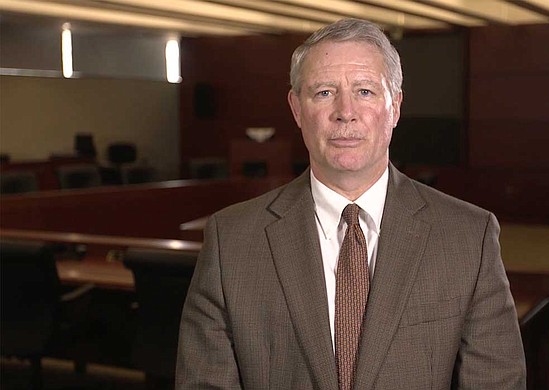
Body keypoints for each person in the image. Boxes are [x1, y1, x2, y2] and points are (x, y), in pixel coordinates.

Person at [176, 18, 526, 389]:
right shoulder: (230, 241)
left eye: (365, 91)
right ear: (296, 109)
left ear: (395, 108)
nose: (346, 111)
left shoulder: (468, 237)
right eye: (324, 92)